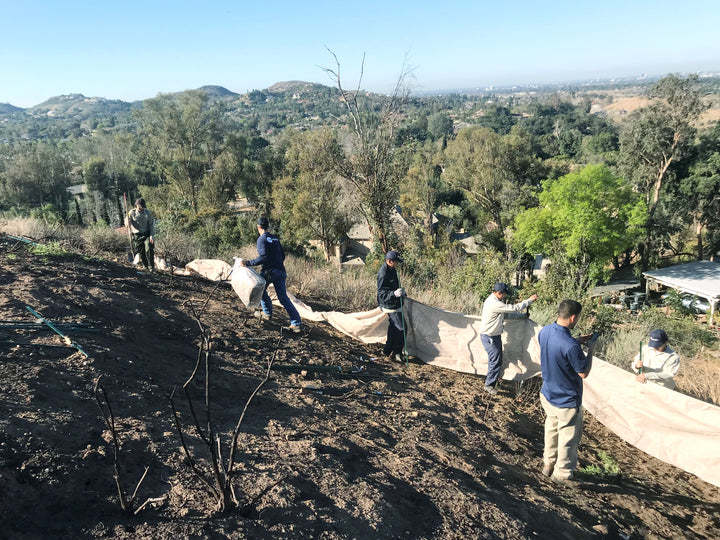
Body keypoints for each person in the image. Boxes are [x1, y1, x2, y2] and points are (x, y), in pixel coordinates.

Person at [539, 299, 596, 485]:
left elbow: (558, 349)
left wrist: (576, 341)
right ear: (573, 318)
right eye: (578, 317)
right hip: (566, 399)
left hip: (548, 393)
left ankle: (548, 464)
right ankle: (562, 475)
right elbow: (583, 372)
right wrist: (591, 350)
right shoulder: (570, 345)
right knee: (568, 437)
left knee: (551, 428)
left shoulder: (545, 331)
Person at [241, 217, 302, 333]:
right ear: (268, 226)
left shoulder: (261, 240)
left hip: (270, 272)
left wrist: (248, 263)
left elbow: (263, 257)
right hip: (281, 271)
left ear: (258, 227)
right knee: (283, 298)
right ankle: (297, 323)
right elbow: (282, 255)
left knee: (259, 288)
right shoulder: (275, 238)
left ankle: (267, 313)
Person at [479, 283, 538, 395]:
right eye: (505, 294)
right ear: (499, 293)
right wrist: (530, 300)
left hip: (494, 336)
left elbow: (505, 315)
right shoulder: (494, 303)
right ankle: (489, 385)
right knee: (495, 360)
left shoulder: (496, 302)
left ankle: (493, 381)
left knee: (497, 360)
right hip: (489, 337)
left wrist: (521, 317)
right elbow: (515, 308)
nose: (505, 297)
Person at [377, 250, 407, 363]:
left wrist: (400, 292)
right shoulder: (383, 273)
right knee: (402, 328)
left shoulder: (392, 270)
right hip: (390, 306)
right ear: (389, 261)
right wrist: (393, 294)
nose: (397, 264)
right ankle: (397, 353)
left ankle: (387, 350)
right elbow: (382, 294)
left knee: (394, 327)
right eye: (395, 262)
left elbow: (394, 286)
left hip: (395, 303)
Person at [126, 198, 155, 272]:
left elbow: (151, 225)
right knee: (141, 252)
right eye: (140, 206)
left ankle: (151, 267)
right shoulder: (131, 213)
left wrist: (152, 235)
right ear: (136, 205)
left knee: (149, 248)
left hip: (146, 234)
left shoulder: (148, 213)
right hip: (137, 235)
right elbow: (127, 223)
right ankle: (146, 267)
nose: (141, 208)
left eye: (142, 206)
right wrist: (129, 223)